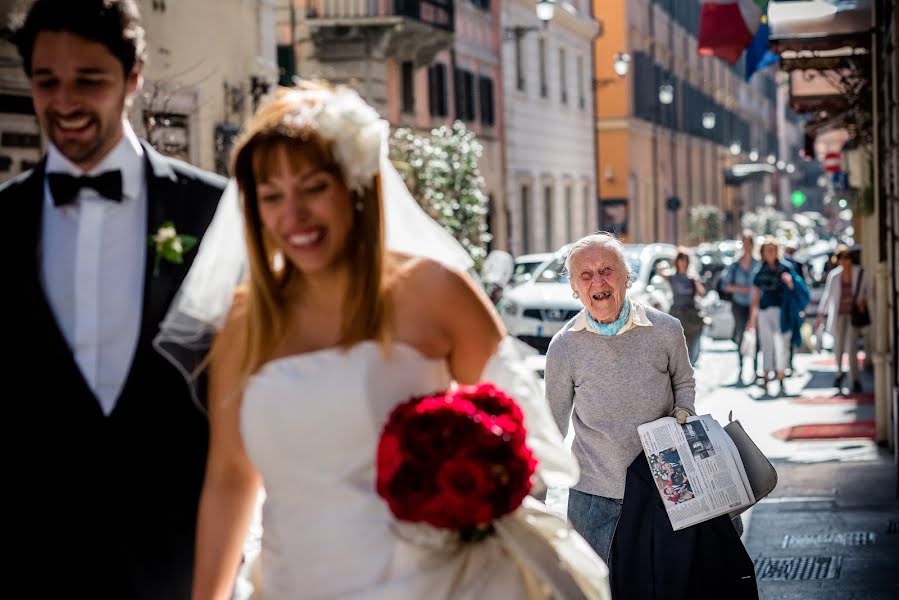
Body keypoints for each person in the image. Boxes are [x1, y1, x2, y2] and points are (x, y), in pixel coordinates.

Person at [188, 83, 611, 599]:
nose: (291, 215)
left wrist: (468, 482)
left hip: (437, 583)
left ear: (355, 185)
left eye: (313, 188)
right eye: (271, 197)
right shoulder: (244, 321)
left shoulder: (434, 291)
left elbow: (527, 436)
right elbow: (230, 476)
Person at [3, 1, 227, 597]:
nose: (65, 101)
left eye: (89, 80)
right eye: (46, 81)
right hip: (36, 555)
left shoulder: (214, 213)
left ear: (133, 78)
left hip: (178, 556)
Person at [544, 232, 696, 566]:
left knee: (662, 586)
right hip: (593, 495)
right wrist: (533, 496)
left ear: (627, 277)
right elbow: (551, 425)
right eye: (585, 275)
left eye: (607, 270)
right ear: (573, 287)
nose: (597, 281)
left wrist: (683, 410)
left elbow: (684, 381)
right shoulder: (564, 346)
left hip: (663, 487)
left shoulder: (666, 330)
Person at [747, 237, 809, 397]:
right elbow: (755, 295)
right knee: (767, 344)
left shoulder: (786, 267)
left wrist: (789, 283)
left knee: (782, 344)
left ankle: (781, 376)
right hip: (765, 311)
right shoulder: (760, 271)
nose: (771, 252)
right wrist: (752, 319)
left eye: (773, 249)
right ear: (762, 252)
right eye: (767, 249)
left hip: (783, 311)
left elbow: (796, 286)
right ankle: (766, 376)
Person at [815, 246, 869, 393]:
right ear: (838, 260)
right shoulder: (834, 276)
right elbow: (827, 295)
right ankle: (839, 373)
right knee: (838, 346)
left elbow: (867, 291)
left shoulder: (859, 273)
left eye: (847, 257)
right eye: (842, 258)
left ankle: (854, 378)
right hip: (838, 315)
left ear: (851, 259)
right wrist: (821, 313)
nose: (845, 261)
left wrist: (863, 302)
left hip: (853, 315)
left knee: (851, 347)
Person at [722, 231, 760, 385]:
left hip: (755, 305)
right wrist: (740, 289)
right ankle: (741, 369)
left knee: (755, 337)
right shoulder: (735, 265)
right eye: (744, 242)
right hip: (739, 305)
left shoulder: (757, 264)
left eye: (749, 242)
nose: (747, 246)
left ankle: (756, 371)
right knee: (740, 335)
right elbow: (725, 286)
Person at [666, 247, 705, 366]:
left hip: (691, 316)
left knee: (693, 345)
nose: (683, 263)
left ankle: (690, 366)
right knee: (677, 346)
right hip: (677, 315)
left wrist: (696, 282)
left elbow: (701, 293)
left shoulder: (692, 278)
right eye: (681, 260)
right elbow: (660, 271)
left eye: (685, 260)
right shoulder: (672, 277)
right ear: (677, 261)